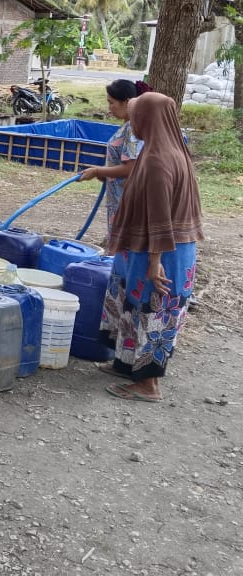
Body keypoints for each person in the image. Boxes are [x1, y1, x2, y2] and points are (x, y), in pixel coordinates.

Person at [97, 92, 202, 403]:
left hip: (162, 250)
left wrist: (155, 262)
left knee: (153, 310)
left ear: (149, 118)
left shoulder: (158, 160)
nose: (133, 120)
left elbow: (160, 216)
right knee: (134, 304)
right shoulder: (169, 150)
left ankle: (148, 385)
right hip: (150, 246)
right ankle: (126, 365)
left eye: (137, 114)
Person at [78, 79, 149, 246]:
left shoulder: (133, 128)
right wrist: (105, 174)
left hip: (128, 199)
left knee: (124, 246)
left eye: (112, 103)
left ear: (127, 102)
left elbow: (131, 167)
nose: (109, 108)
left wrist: (98, 171)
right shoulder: (127, 126)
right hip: (118, 197)